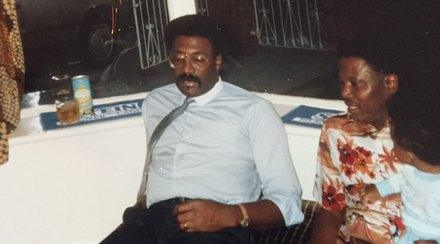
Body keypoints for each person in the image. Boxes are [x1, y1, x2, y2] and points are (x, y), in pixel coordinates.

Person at [102, 14, 304, 243]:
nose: (186, 69)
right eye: (178, 59)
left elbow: (288, 201)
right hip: (150, 222)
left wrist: (231, 214)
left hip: (214, 227)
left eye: (198, 59)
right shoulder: (156, 101)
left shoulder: (254, 111)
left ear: (217, 61)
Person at [311, 34, 405, 243]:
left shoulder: (422, 138)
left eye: (355, 83)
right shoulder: (336, 131)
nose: (344, 92)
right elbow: (331, 211)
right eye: (342, 82)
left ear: (390, 83)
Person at [359, 45, 440, 244]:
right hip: (410, 234)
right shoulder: (409, 170)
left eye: (394, 143)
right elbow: (397, 182)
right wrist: (377, 190)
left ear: (410, 153)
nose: (392, 148)